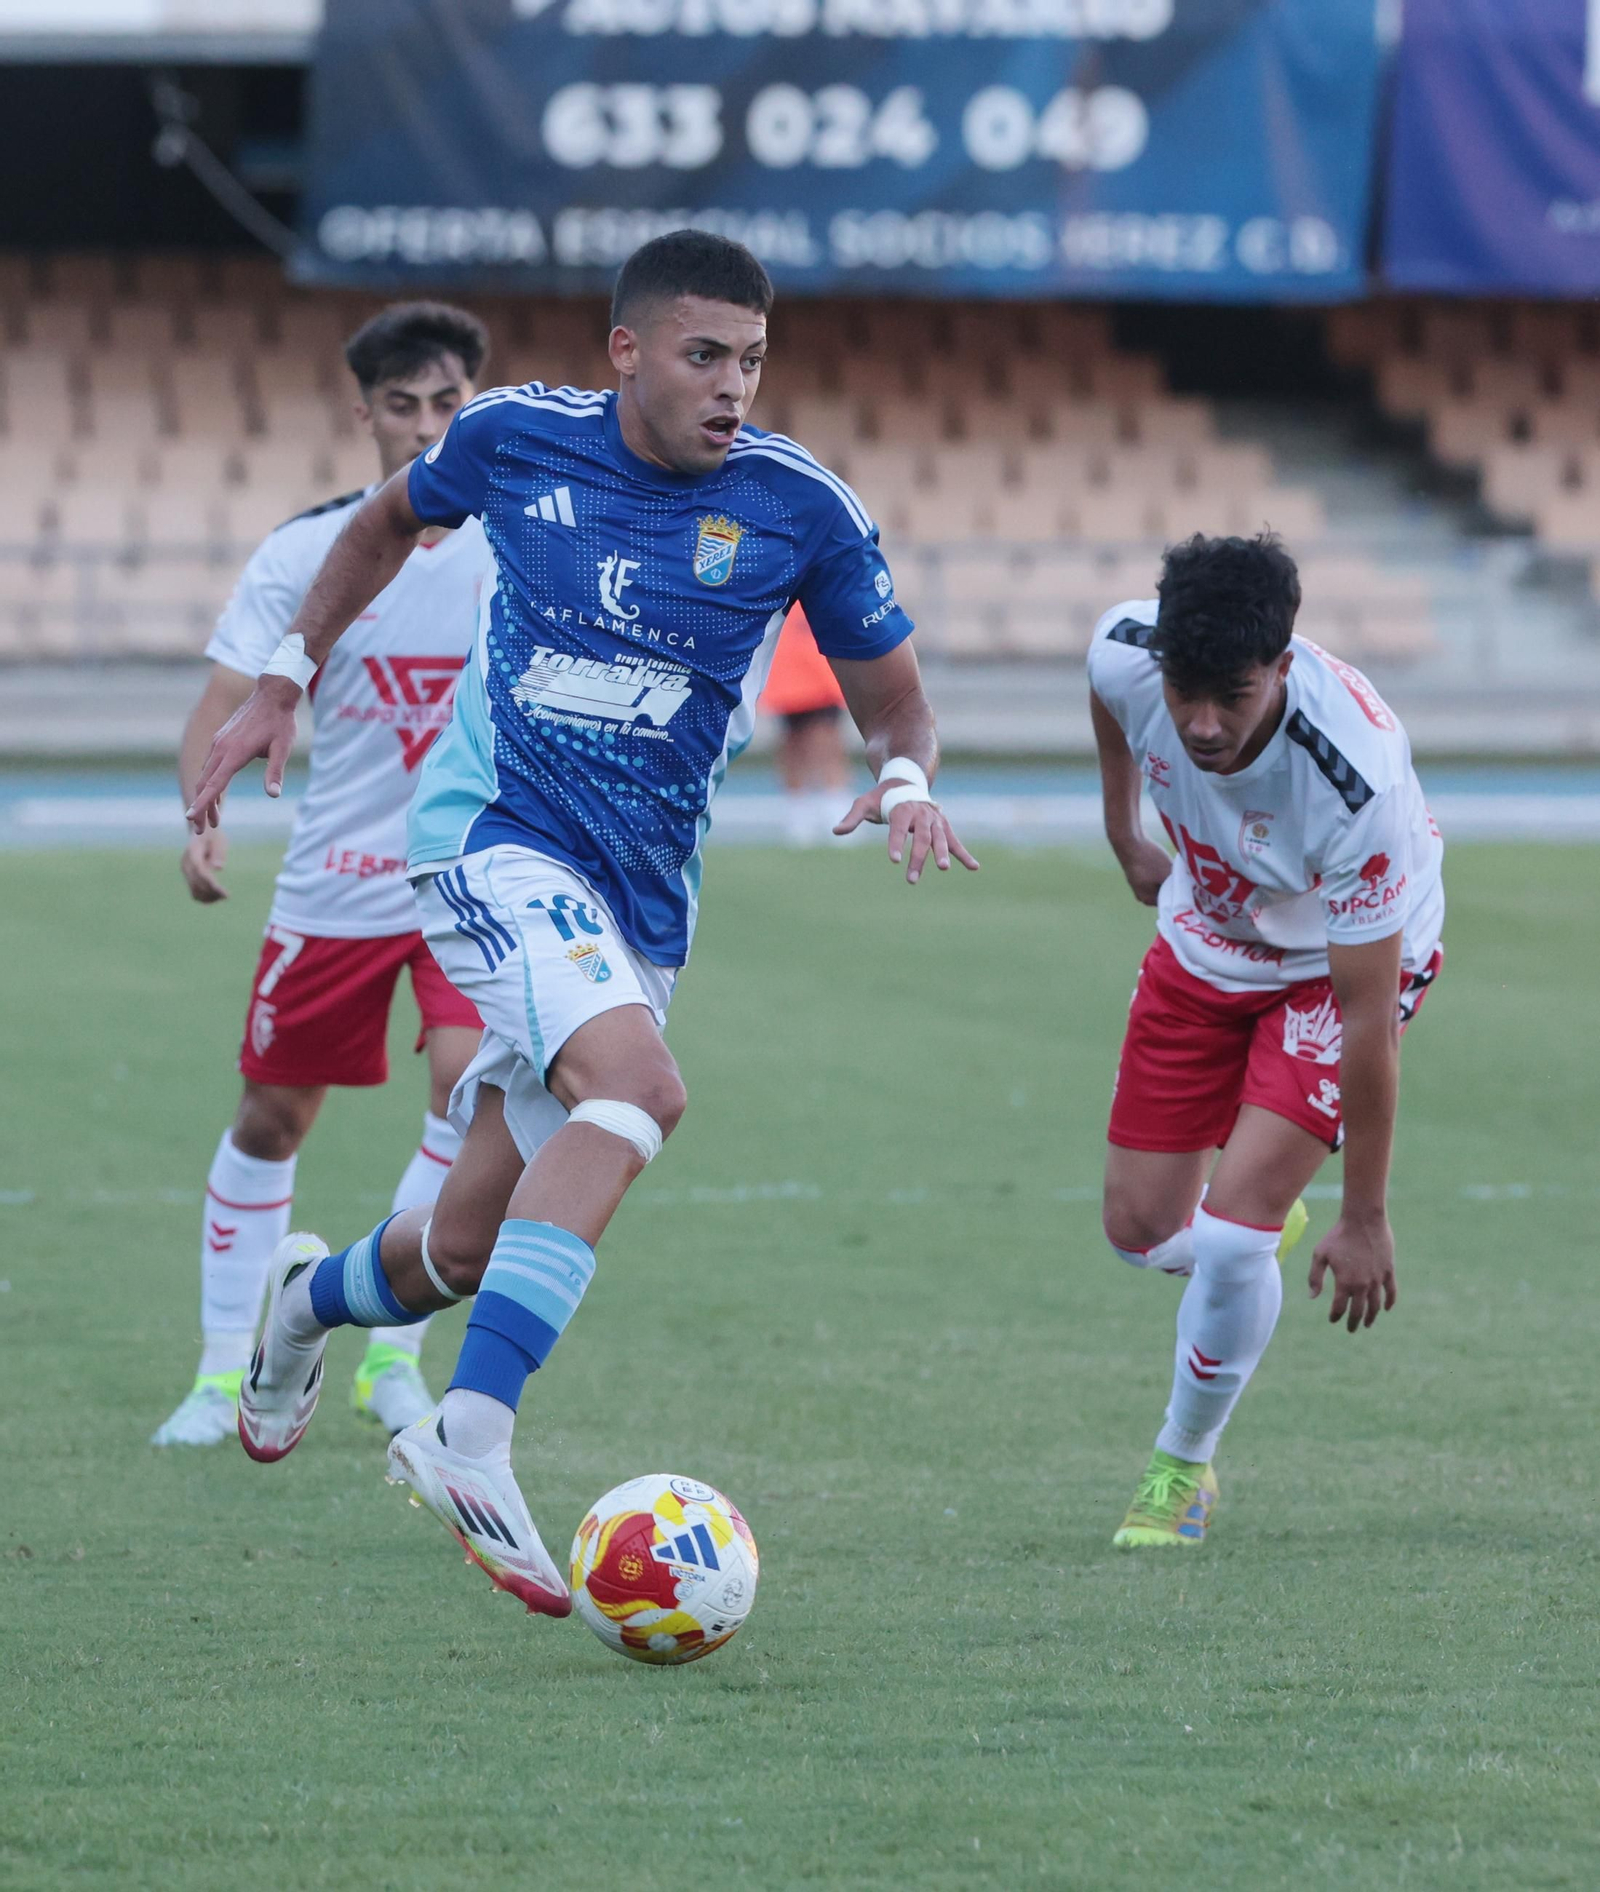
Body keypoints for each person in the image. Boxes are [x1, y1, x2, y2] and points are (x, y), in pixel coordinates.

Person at [185, 230, 979, 1614]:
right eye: (703, 355)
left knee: (459, 1248)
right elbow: (380, 524)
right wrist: (283, 676)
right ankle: (470, 1432)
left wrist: (904, 780)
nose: (733, 385)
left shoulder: (799, 506)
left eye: (751, 360)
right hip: (488, 836)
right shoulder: (517, 438)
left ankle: (304, 1301)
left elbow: (895, 700)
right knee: (640, 1089)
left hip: (640, 902)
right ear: (626, 351)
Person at [153, 302, 495, 1447]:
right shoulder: (308, 551)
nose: (426, 426)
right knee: (270, 1116)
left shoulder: (515, 546)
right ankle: (221, 1372)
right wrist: (200, 815)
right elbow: (222, 701)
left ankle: (391, 1357)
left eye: (447, 403)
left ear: (474, 407)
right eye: (402, 405)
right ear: (365, 415)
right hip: (337, 877)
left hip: (469, 876)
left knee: (468, 1086)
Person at [1088, 533, 1444, 1548]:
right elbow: (1109, 705)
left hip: (1335, 966)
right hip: (1206, 941)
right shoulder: (1125, 650)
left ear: (1281, 666)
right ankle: (1247, 1237)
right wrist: (1123, 830)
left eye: (1231, 699)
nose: (1201, 724)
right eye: (1184, 693)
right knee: (1139, 1231)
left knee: (1233, 1237)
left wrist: (1363, 1214)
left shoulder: (1355, 779)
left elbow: (1369, 1017)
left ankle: (1179, 1470)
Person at [760, 602, 850, 844]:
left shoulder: (823, 594)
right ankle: (798, 813)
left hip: (822, 682)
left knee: (826, 744)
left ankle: (837, 811)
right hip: (787, 684)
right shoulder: (779, 599)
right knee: (792, 747)